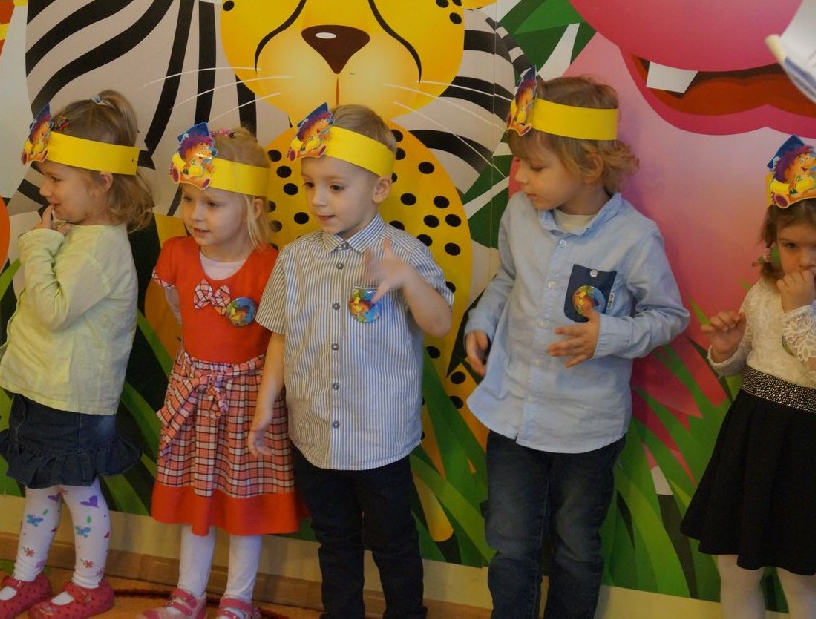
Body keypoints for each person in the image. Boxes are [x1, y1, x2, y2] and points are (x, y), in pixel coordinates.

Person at [463, 68, 689, 619]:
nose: (520, 178)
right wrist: (483, 321)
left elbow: (669, 317)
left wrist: (608, 334)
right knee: (509, 543)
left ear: (589, 165)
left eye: (536, 166)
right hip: (514, 414)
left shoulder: (634, 238)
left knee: (576, 548)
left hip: (586, 427)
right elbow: (508, 278)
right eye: (519, 163)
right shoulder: (520, 213)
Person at [248, 102, 454, 619]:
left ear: (379, 188)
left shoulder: (403, 253)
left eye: (336, 186)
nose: (318, 199)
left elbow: (439, 323)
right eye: (310, 184)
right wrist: (265, 405)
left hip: (378, 437)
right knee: (335, 540)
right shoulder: (295, 258)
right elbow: (281, 338)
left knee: (392, 540)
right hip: (314, 433)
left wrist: (407, 279)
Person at [0, 90, 154, 619]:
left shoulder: (99, 249)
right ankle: (27, 576)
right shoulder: (78, 234)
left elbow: (52, 310)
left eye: (55, 179)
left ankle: (89, 585)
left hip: (71, 400)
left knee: (79, 492)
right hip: (44, 388)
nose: (44, 190)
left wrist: (35, 246)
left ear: (102, 182)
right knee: (39, 489)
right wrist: (49, 244)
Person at [140, 124, 302, 619]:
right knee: (197, 496)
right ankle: (188, 592)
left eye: (212, 203)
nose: (195, 215)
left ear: (252, 208)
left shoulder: (270, 265)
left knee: (243, 502)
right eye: (189, 200)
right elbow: (178, 311)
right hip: (193, 392)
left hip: (249, 400)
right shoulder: (176, 254)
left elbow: (280, 336)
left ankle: (237, 599)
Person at [680, 135, 816, 619]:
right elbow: (743, 364)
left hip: (805, 449)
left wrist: (799, 311)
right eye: (791, 245)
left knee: (802, 577)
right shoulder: (763, 289)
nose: (805, 260)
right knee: (734, 567)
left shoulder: (798, 300)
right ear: (773, 241)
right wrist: (727, 348)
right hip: (752, 435)